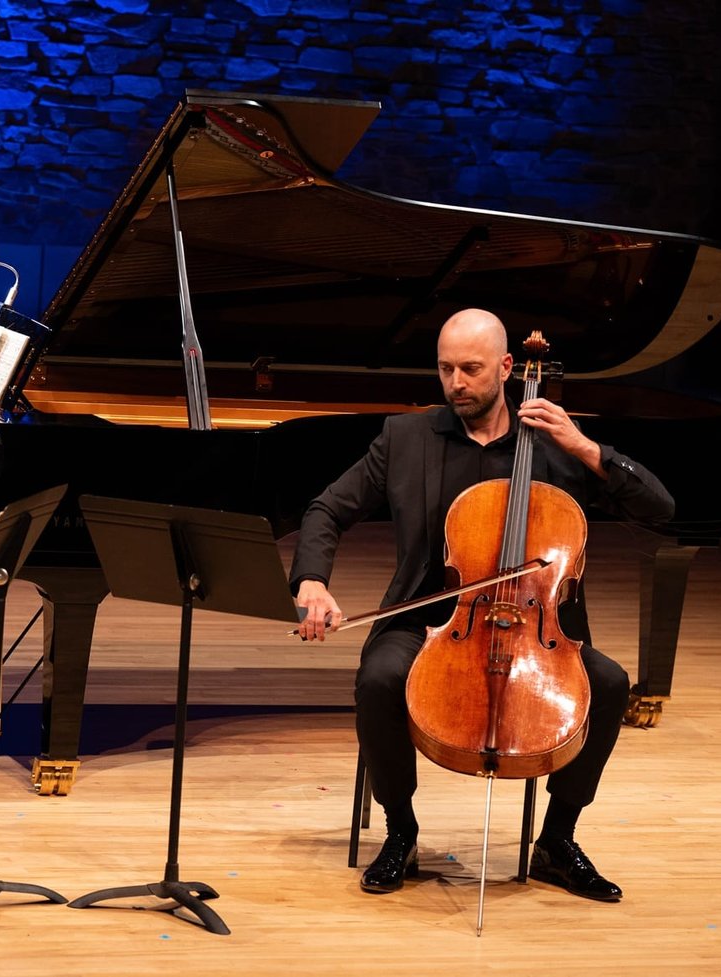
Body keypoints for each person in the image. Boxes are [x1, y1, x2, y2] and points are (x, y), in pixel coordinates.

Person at [290, 308, 674, 903]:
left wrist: (585, 447)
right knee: (379, 680)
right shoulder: (406, 437)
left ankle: (558, 840)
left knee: (610, 682)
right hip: (429, 616)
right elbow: (326, 509)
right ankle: (401, 831)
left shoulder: (556, 445)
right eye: (445, 369)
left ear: (507, 367)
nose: (456, 383)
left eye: (470, 369)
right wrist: (311, 581)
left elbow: (660, 509)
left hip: (537, 624)